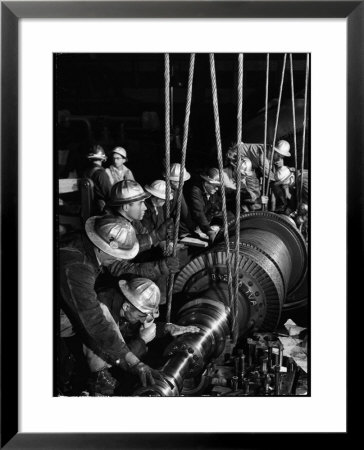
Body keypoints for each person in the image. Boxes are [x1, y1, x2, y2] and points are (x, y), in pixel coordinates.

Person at [59, 214, 166, 396]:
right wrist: (133, 362)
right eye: (117, 255)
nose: (119, 260)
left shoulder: (84, 244)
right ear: (103, 247)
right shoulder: (77, 266)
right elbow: (94, 322)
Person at [96, 278, 200, 394]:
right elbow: (116, 359)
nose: (144, 321)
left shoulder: (127, 305)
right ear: (126, 307)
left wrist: (167, 328)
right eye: (142, 316)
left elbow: (131, 327)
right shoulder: (102, 312)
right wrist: (141, 340)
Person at [104, 180, 179, 286]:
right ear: (126, 207)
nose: (144, 207)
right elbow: (117, 267)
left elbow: (142, 235)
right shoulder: (110, 229)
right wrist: (159, 268)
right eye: (140, 203)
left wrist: (156, 236)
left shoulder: (131, 219)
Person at [185, 168, 223, 243]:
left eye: (217, 186)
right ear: (206, 182)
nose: (216, 188)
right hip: (189, 227)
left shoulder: (212, 192)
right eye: (214, 185)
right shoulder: (195, 191)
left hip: (201, 226)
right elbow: (199, 213)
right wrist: (209, 231)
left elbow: (214, 208)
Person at [227, 139, 291, 181]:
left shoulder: (274, 153)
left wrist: (282, 169)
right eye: (278, 156)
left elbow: (281, 165)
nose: (280, 159)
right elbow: (269, 175)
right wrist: (283, 178)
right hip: (234, 155)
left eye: (282, 157)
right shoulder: (262, 156)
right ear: (273, 151)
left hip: (249, 158)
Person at [165, 163, 196, 237]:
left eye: (181, 181)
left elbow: (184, 211)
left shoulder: (178, 191)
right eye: (175, 181)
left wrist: (192, 229)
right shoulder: (163, 190)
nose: (180, 184)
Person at [83, 144, 112, 214]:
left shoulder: (86, 172)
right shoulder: (101, 174)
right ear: (103, 158)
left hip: (88, 207)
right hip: (100, 210)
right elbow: (109, 194)